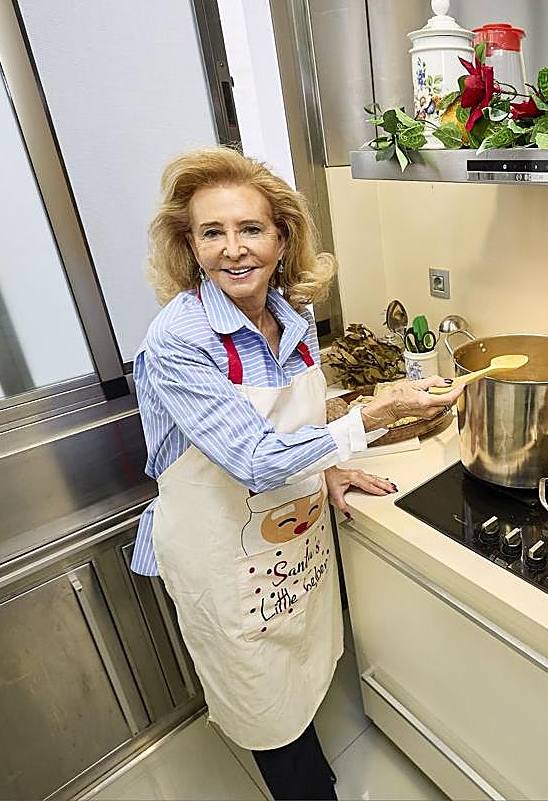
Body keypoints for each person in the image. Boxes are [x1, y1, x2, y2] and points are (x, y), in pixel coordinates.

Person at [129, 146, 462, 800]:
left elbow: (296, 424)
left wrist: (329, 472)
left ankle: (308, 765)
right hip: (220, 550)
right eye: (212, 233)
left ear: (282, 238)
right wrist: (376, 412)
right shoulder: (179, 341)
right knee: (261, 695)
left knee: (302, 660)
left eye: (250, 229)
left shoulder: (291, 317)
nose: (234, 250)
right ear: (189, 246)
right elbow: (253, 458)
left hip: (287, 534)